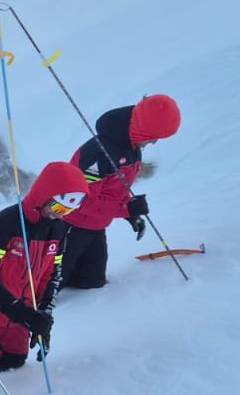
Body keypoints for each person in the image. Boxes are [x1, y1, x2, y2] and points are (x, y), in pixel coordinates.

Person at [0, 162, 90, 382]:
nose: (60, 215)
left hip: (22, 317)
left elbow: (52, 274)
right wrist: (15, 310)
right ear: (44, 196)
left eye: (68, 210)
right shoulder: (5, 223)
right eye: (57, 208)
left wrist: (43, 315)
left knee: (14, 362)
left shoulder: (60, 229)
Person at [59, 94, 182, 290]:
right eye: (155, 136)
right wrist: (126, 209)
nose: (155, 142)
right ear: (145, 129)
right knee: (48, 289)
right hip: (68, 226)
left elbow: (116, 187)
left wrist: (130, 213)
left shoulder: (131, 145)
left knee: (92, 284)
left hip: (95, 227)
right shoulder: (99, 153)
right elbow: (81, 201)